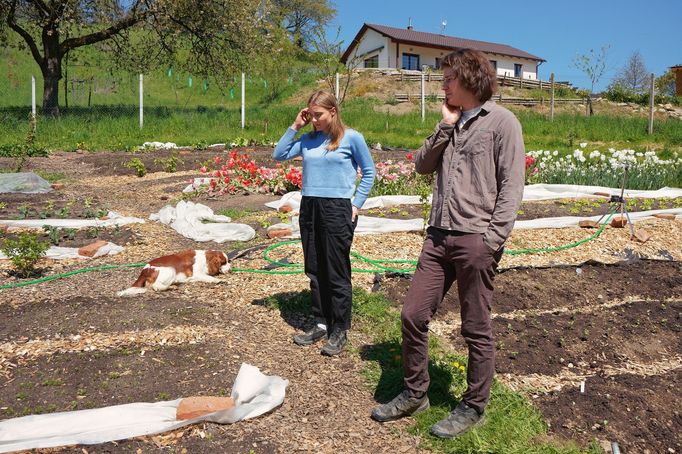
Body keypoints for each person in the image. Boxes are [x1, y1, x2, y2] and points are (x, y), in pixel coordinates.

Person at [371, 49, 525, 438]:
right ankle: (416, 392)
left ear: (471, 79)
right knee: (412, 315)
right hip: (438, 237)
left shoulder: (503, 123)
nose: (443, 84)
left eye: (449, 78)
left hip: (475, 239)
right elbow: (422, 165)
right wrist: (444, 127)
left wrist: (491, 241)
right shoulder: (450, 123)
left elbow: (511, 187)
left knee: (475, 326)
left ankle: (474, 405)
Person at [273, 90, 375, 356]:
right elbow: (279, 154)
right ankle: (320, 322)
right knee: (315, 268)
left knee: (336, 270)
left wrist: (356, 204)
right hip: (310, 207)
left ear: (333, 111)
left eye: (318, 115)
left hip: (337, 208)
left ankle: (339, 328)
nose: (315, 120)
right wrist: (296, 125)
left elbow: (369, 172)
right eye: (311, 115)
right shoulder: (307, 139)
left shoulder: (351, 138)